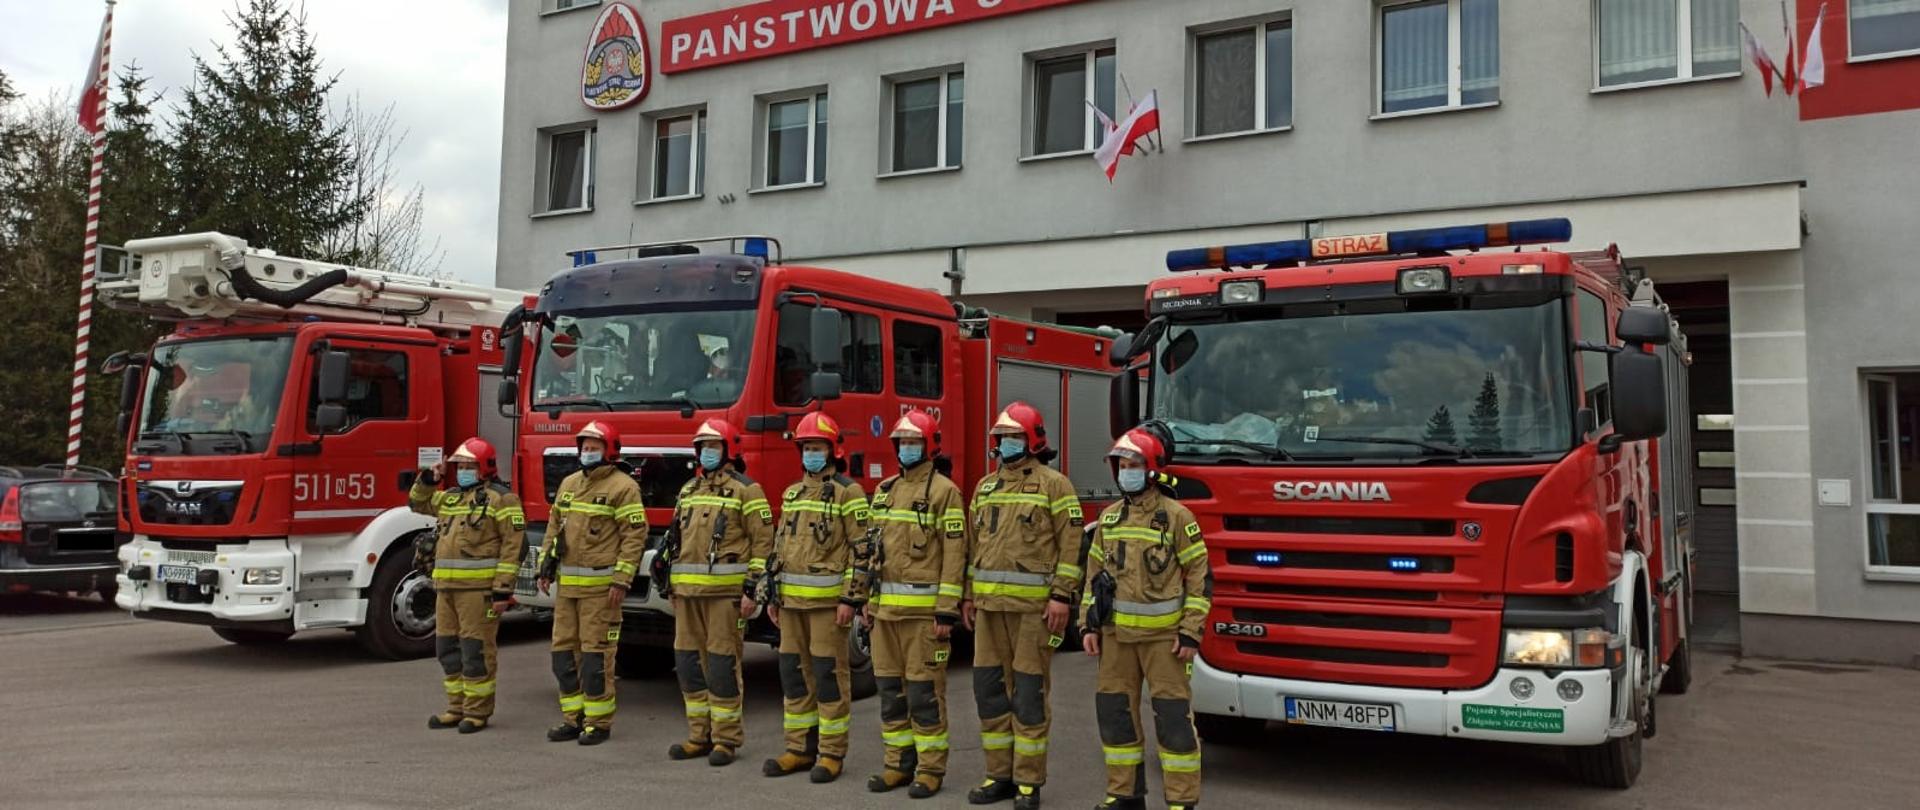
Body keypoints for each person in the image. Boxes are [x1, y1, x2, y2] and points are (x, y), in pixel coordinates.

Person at [1079, 428, 1211, 810]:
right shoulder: (1109, 518)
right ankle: (1125, 795)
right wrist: (1088, 625)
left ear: (1151, 470)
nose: (1125, 471)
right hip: (1116, 638)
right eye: (1121, 465)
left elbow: (1201, 577)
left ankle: (1182, 801)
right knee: (1115, 717)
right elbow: (1094, 577)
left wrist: (1190, 634)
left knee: (1173, 721)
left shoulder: (1176, 517)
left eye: (1133, 465)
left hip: (1164, 642)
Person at [964, 403, 1084, 810]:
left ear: (1032, 439)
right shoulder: (984, 488)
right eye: (1001, 438)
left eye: (1013, 437)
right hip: (988, 611)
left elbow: (1071, 547)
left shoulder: (1055, 486)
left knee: (1029, 696)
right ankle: (999, 775)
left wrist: (1062, 596)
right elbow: (972, 547)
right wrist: (967, 596)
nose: (1005, 444)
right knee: (990, 694)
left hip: (1033, 612)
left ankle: (1029, 783)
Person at [860, 410, 969, 800]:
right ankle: (897, 765)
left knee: (924, 695)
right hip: (884, 615)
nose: (906, 448)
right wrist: (865, 601)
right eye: (902, 442)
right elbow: (871, 551)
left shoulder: (944, 492)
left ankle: (930, 769)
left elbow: (955, 555)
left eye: (913, 442)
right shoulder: (885, 490)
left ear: (929, 446)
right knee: (891, 694)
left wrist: (946, 609)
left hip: (924, 619)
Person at [762, 412, 871, 784]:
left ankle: (830, 753)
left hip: (828, 607)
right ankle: (798, 749)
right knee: (794, 677)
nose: (811, 453)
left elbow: (862, 550)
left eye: (817, 447)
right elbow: (780, 548)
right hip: (790, 606)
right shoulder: (792, 493)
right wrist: (772, 594)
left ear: (832, 450)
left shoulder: (848, 493)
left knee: (828, 680)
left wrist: (851, 599)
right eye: (806, 447)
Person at [666, 418, 774, 766]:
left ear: (729, 450)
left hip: (725, 598)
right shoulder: (688, 490)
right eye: (703, 448)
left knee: (722, 665)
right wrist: (669, 582)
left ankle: (726, 740)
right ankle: (699, 734)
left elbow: (763, 544)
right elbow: (676, 541)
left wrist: (752, 589)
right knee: (687, 663)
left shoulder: (748, 491)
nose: (707, 453)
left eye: (713, 447)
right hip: (687, 596)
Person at [535, 421, 647, 746]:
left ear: (609, 451)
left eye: (594, 447)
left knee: (596, 658)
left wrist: (622, 580)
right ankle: (573, 718)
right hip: (567, 590)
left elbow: (634, 536)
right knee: (563, 656)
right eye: (584, 446)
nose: (587, 452)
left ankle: (598, 723)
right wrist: (545, 566)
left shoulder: (623, 487)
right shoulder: (569, 484)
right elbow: (555, 529)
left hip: (602, 592)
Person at [407, 438, 524, 734]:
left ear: (484, 467)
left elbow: (514, 546)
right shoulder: (451, 498)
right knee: (447, 649)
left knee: (476, 651)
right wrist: (428, 479)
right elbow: (417, 502)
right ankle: (455, 707)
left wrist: (502, 589)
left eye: (469, 466)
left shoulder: (502, 499)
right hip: (446, 589)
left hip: (479, 592)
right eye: (460, 466)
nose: (463, 471)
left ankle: (477, 711)